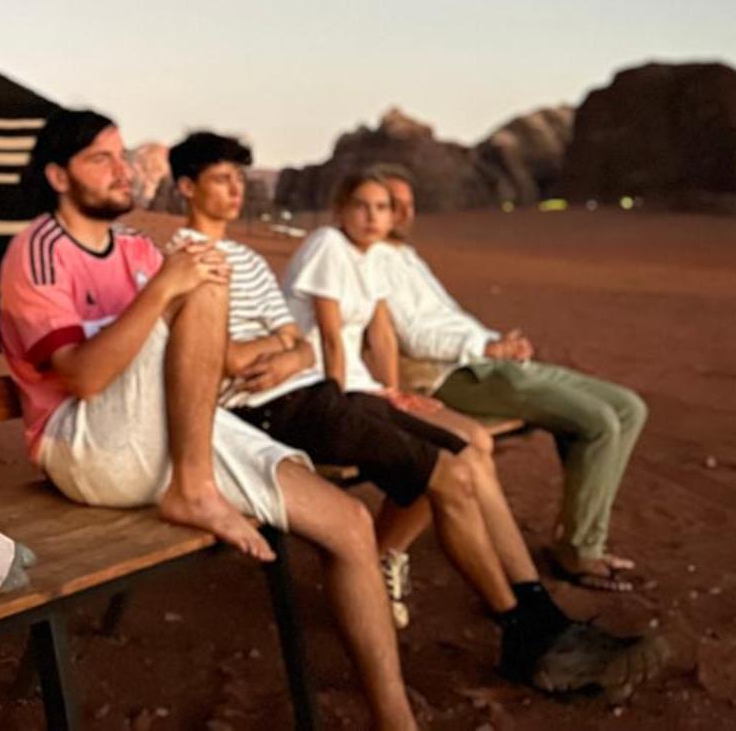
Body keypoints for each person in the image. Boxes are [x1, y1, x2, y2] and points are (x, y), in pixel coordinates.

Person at [183, 139, 663, 696]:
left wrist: (379, 387)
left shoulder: (282, 259)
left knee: (464, 458)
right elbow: (306, 345)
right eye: (366, 205)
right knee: (453, 467)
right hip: (298, 399)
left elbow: (334, 338)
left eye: (383, 207)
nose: (377, 216)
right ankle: (529, 630)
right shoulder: (314, 247)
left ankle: (534, 617)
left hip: (324, 387)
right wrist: (309, 367)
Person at [0, 109, 419, 731]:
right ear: (59, 176)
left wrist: (270, 346)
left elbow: (201, 357)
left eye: (123, 158)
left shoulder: (140, 249)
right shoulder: (38, 251)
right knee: (200, 278)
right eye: (101, 160)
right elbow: (83, 378)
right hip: (83, 445)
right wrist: (166, 289)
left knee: (351, 523)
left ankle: (396, 720)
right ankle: (194, 490)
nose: (123, 172)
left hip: (168, 431)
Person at [372, 164, 651, 592]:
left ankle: (578, 539)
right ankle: (580, 550)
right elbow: (413, 335)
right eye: (392, 204)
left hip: (488, 360)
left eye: (408, 204)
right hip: (453, 375)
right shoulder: (369, 261)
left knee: (629, 407)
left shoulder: (407, 257)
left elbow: (451, 317)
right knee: (598, 422)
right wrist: (487, 349)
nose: (403, 213)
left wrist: (498, 341)